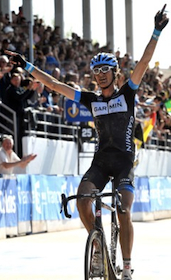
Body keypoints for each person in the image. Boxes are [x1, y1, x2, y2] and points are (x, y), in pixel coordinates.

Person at [5, 5, 169, 280]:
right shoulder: (91, 99)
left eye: (105, 69)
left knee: (124, 210)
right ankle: (98, 247)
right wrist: (28, 65)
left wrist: (155, 32)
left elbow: (142, 62)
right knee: (82, 201)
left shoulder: (127, 93)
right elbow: (55, 85)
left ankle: (127, 267)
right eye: (96, 71)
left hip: (124, 162)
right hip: (101, 162)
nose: (100, 74)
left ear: (115, 73)